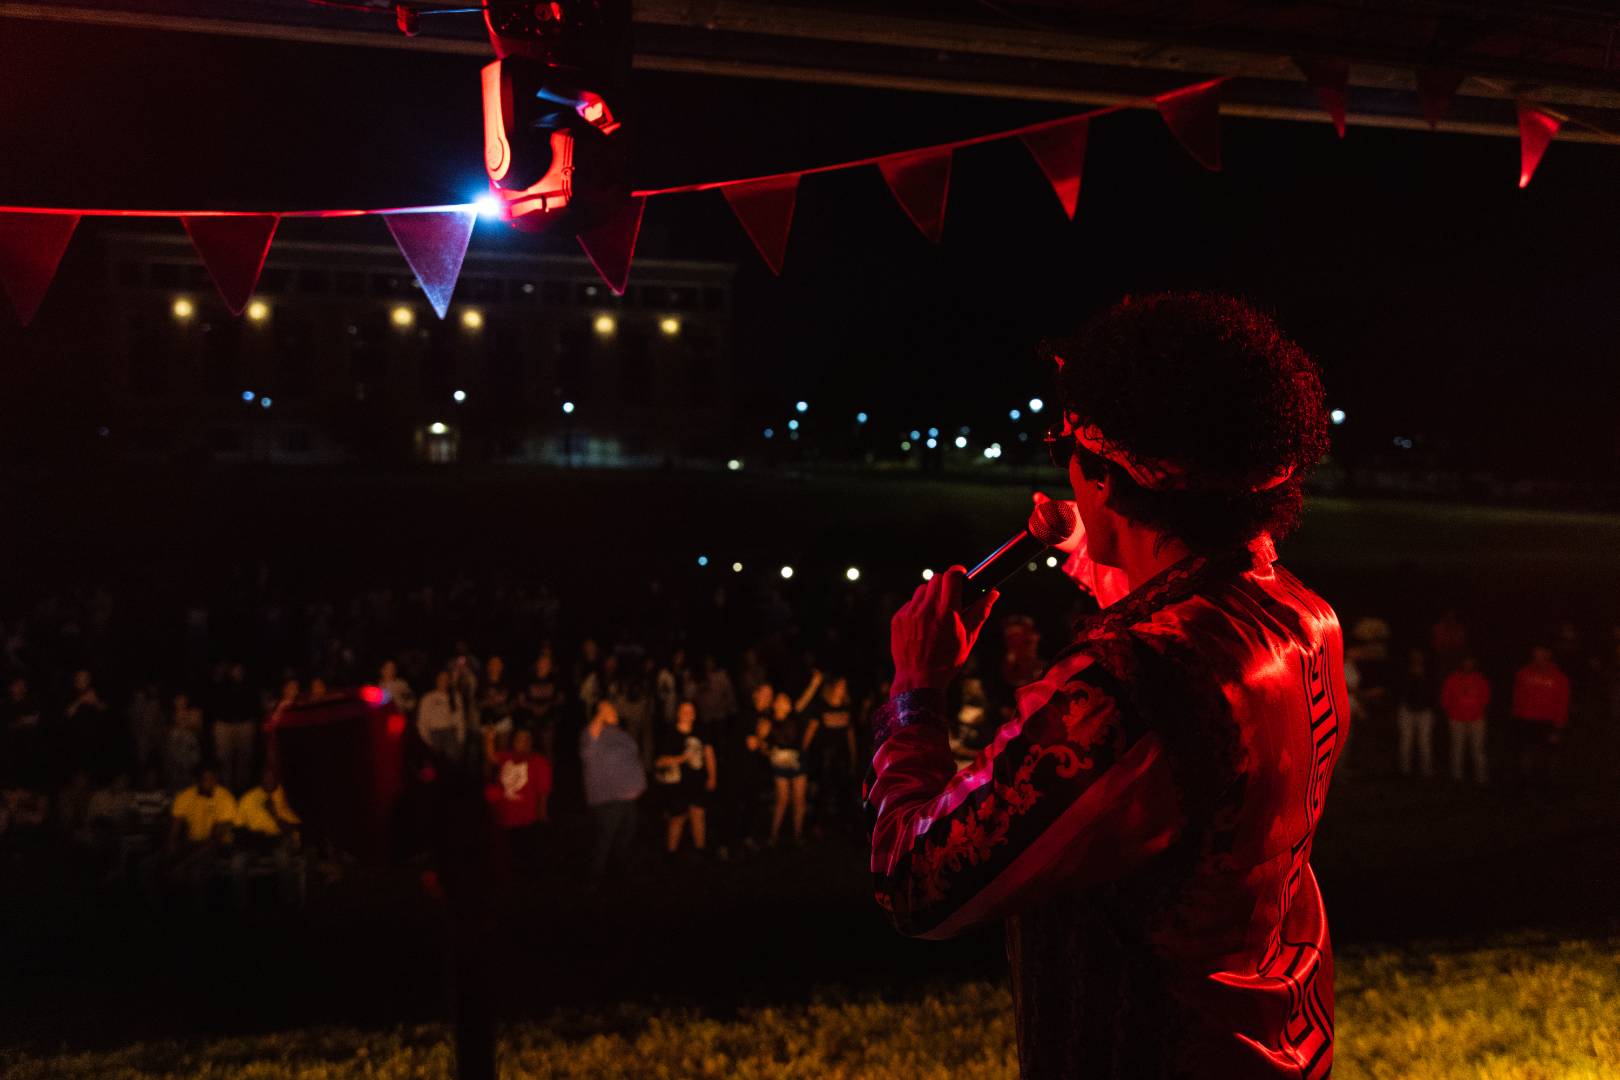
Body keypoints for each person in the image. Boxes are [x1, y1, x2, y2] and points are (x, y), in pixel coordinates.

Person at [865, 293, 1344, 1077]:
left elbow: (917, 884)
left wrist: (917, 695)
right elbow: (1192, 617)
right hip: (1279, 1049)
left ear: (1110, 476)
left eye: (1065, 447)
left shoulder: (1124, 686)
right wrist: (1108, 547)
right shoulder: (1301, 614)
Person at [579, 699, 645, 891]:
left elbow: (634, 756)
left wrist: (637, 785)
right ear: (599, 714)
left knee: (625, 837)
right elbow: (589, 748)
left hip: (629, 798)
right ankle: (595, 879)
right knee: (605, 839)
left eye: (613, 709)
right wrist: (602, 712)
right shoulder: (592, 734)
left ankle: (620, 871)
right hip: (609, 799)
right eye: (610, 710)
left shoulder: (621, 734)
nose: (615, 712)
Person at [232, 765, 305, 906]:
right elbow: (238, 826)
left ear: (277, 778)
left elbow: (292, 829)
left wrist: (274, 814)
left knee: (281, 855)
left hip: (281, 838)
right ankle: (242, 904)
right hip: (257, 840)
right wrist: (249, 837)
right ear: (260, 779)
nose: (268, 780)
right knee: (237, 862)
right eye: (265, 777)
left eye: (271, 777)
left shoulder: (285, 796)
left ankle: (288, 900)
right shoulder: (249, 797)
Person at [653, 701, 717, 855]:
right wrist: (681, 758)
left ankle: (700, 850)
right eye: (684, 710)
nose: (688, 714)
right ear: (678, 713)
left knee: (698, 815)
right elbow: (659, 761)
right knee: (678, 818)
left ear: (695, 715)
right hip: (677, 784)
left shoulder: (702, 731)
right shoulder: (670, 733)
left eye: (691, 711)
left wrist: (712, 776)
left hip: (698, 781)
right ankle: (671, 852)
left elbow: (709, 754)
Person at [484, 727, 552, 870]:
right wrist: (489, 738)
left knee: (526, 853)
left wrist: (542, 812)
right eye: (520, 739)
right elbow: (491, 757)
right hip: (506, 816)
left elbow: (543, 791)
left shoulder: (538, 761)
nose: (523, 742)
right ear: (513, 742)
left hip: (526, 818)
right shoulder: (506, 756)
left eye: (527, 739)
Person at [801, 672, 858, 837]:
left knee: (844, 790)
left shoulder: (846, 707)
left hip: (842, 756)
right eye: (840, 685)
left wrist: (853, 756)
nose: (843, 689)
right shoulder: (822, 706)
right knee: (823, 790)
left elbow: (850, 733)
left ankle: (845, 824)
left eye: (844, 686)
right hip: (825, 755)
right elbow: (811, 730)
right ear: (832, 687)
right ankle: (818, 824)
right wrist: (804, 751)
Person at [1510, 645, 1571, 793]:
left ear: (1548, 654)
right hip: (1527, 719)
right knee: (1526, 751)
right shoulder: (1523, 673)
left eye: (1542, 653)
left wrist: (1558, 724)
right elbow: (1518, 696)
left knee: (1549, 753)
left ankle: (1548, 782)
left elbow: (1562, 701)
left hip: (1548, 720)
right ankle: (1526, 781)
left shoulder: (1558, 676)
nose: (1539, 657)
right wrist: (1517, 715)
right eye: (1536, 653)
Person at [766, 691, 808, 846]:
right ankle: (773, 835)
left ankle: (797, 835)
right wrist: (771, 752)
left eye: (787, 701)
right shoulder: (769, 721)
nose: (785, 703)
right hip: (780, 764)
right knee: (782, 800)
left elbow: (804, 700)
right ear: (775, 704)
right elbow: (765, 745)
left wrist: (815, 683)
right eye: (781, 700)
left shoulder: (795, 718)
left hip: (797, 762)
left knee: (799, 800)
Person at [1440, 655, 1491, 784]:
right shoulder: (1452, 678)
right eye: (1466, 662)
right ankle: (1457, 776)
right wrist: (1451, 713)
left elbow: (1486, 698)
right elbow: (1445, 698)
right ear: (1461, 663)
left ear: (1474, 664)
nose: (1468, 665)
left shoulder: (1480, 679)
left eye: (1470, 662)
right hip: (1457, 719)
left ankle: (1481, 777)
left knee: (1478, 749)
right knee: (1457, 748)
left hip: (1476, 719)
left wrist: (1478, 711)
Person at [1394, 648, 1437, 779]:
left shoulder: (1430, 672)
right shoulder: (1403, 671)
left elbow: (1433, 691)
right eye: (1414, 655)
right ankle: (1405, 770)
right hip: (1407, 710)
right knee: (1406, 742)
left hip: (1425, 711)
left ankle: (1426, 770)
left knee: (1425, 742)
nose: (1417, 658)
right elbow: (1399, 690)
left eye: (1419, 655)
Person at [418, 669, 468, 761]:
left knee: (452, 763)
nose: (443, 682)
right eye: (441, 679)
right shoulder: (428, 698)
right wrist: (426, 739)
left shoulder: (455, 697)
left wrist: (460, 737)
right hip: (434, 734)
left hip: (450, 734)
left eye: (446, 679)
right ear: (436, 680)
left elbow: (459, 719)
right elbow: (422, 720)